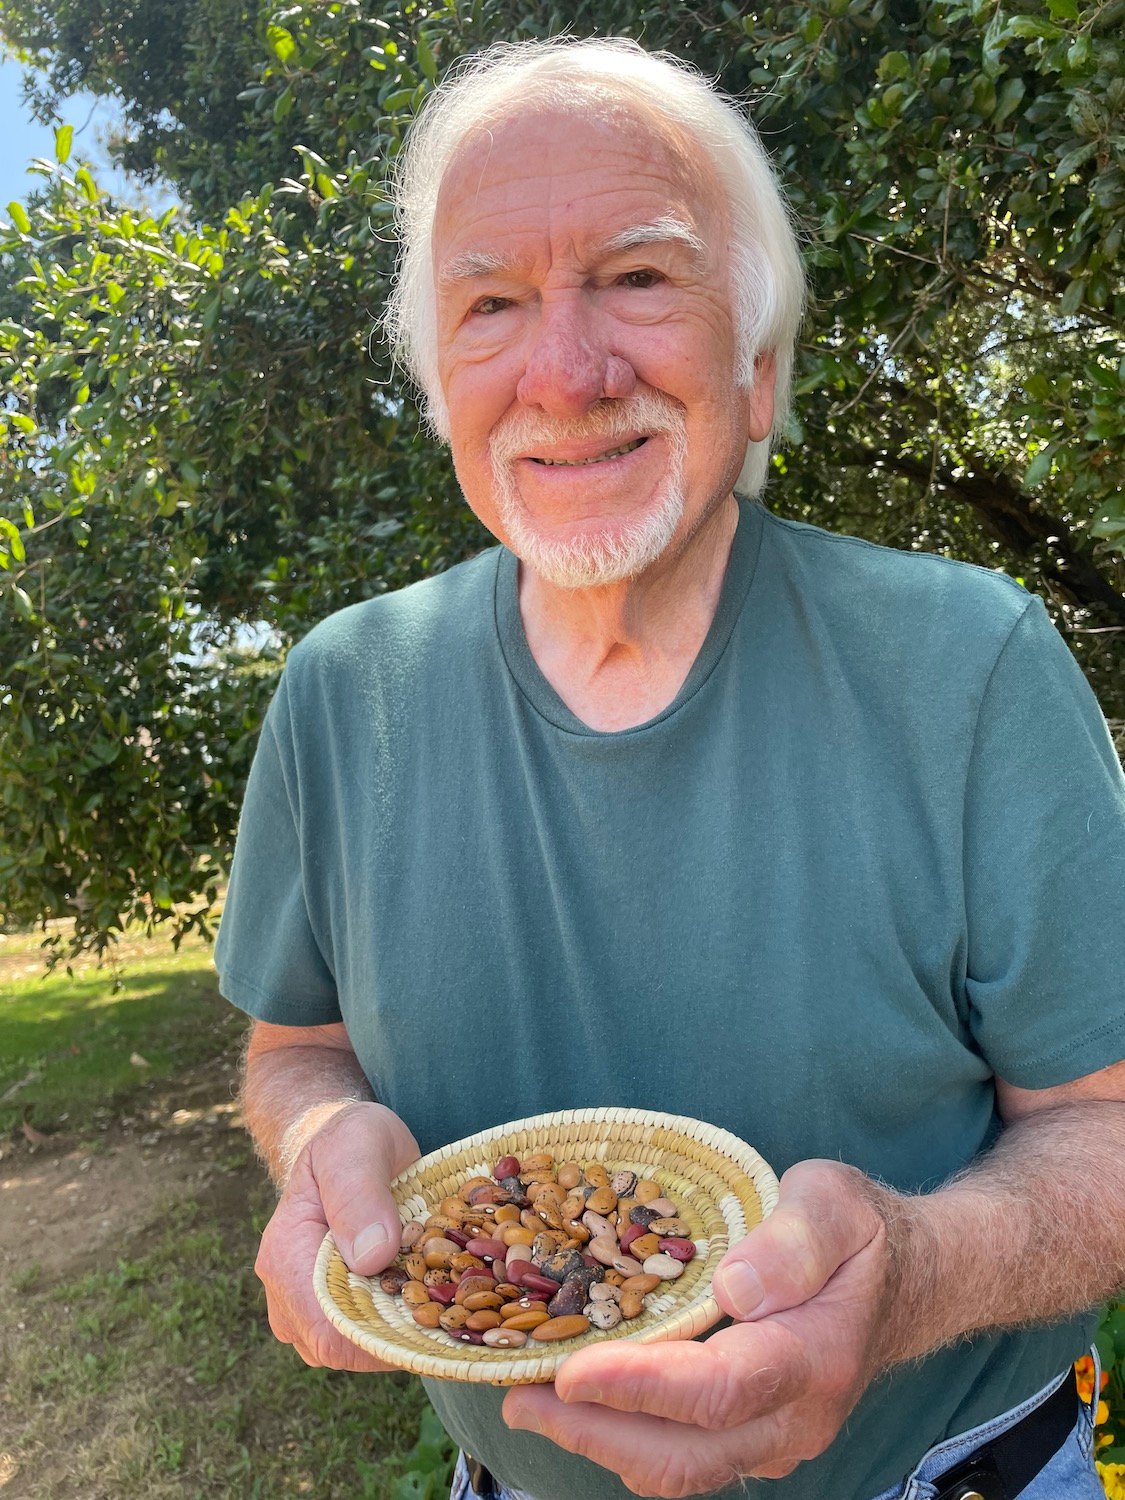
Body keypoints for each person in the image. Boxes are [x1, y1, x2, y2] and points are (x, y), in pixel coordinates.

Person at [213, 36, 1125, 1500]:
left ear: (756, 372)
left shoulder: (968, 667)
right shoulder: (341, 693)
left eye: (638, 278)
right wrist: (323, 1133)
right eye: (491, 303)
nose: (563, 373)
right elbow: (291, 1044)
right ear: (444, 388)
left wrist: (912, 1275)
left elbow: (1106, 1122)